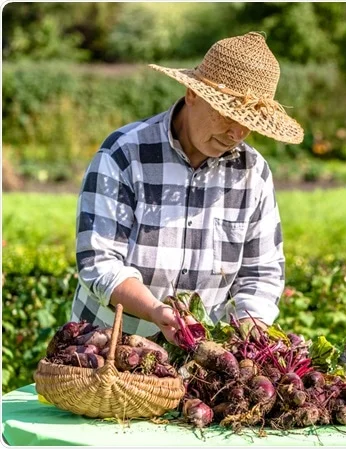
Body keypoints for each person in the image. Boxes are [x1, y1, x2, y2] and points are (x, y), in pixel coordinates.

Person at [70, 32, 304, 344]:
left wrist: (250, 332)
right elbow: (99, 262)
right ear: (192, 94)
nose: (236, 132)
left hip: (199, 361)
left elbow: (261, 274)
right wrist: (155, 310)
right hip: (108, 350)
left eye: (249, 122)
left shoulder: (253, 172)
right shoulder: (125, 153)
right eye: (227, 114)